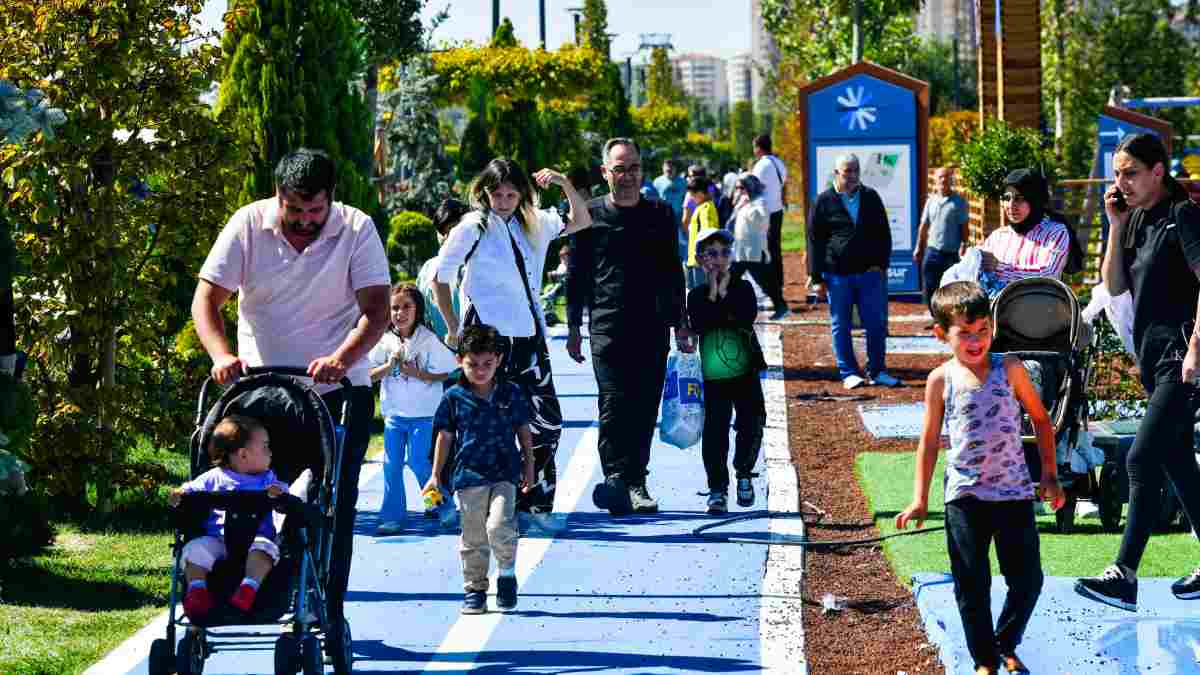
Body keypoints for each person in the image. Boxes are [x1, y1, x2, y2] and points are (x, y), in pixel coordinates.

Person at [191, 148, 390, 638]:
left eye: (314, 212)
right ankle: (240, 592)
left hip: (337, 391)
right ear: (278, 196)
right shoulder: (247, 224)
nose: (303, 221)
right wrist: (220, 355)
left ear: (331, 202)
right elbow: (206, 299)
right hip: (262, 394)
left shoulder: (357, 229)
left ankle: (326, 608)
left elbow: (377, 309)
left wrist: (341, 359)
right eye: (294, 210)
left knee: (329, 504)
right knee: (247, 499)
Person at [896, 281, 1064, 675]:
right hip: (965, 497)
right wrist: (919, 498)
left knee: (1028, 581)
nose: (976, 341)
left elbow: (1041, 420)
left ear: (992, 326)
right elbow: (929, 440)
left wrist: (1050, 475)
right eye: (965, 334)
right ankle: (984, 661)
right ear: (942, 334)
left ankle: (1005, 642)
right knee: (972, 585)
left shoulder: (1011, 368)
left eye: (983, 331)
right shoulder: (941, 379)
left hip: (1014, 493)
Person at [1074, 133, 1200, 612]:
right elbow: (1115, 285)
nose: (1120, 182)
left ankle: (1123, 575)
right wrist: (1114, 226)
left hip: (1182, 361)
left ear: (1157, 172)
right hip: (1154, 359)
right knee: (1178, 463)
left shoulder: (1183, 216)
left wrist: (1196, 350)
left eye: (1130, 173)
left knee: (1140, 459)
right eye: (1116, 174)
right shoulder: (1136, 219)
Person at [432, 158, 592, 514]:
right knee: (484, 422)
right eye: (496, 193)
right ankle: (480, 497)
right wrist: (453, 326)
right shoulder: (473, 226)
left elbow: (582, 220)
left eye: (511, 193)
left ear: (521, 194)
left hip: (529, 340)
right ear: (484, 192)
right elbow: (440, 276)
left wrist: (565, 183)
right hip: (487, 338)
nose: (503, 200)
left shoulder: (535, 222)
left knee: (547, 424)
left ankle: (533, 496)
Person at [567, 137, 693, 516]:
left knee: (642, 405)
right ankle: (616, 478)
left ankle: (636, 481)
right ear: (605, 172)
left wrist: (681, 322)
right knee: (613, 402)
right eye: (619, 169)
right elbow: (577, 274)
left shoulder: (660, 213)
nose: (627, 176)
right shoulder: (588, 215)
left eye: (633, 168)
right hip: (606, 324)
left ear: (642, 170)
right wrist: (573, 326)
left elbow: (673, 271)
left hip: (651, 325)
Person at [425, 324, 535, 614]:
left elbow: (523, 430)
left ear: (498, 360)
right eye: (473, 364)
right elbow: (445, 436)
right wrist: (435, 475)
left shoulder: (510, 392)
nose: (481, 370)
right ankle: (475, 588)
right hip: (468, 474)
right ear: (459, 360)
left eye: (488, 364)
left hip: (505, 472)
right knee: (473, 535)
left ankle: (507, 572)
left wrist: (530, 465)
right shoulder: (453, 396)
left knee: (499, 526)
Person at [170, 415, 290, 622]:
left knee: (265, 550)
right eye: (265, 446)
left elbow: (284, 494)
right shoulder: (212, 477)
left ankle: (249, 587)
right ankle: (197, 589)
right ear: (243, 454)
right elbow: (189, 490)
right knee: (194, 550)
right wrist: (179, 495)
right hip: (217, 540)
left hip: (256, 539)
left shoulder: (267, 479)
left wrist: (278, 494)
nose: (270, 452)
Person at [687, 228, 767, 515]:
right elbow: (700, 323)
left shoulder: (744, 289)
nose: (719, 259)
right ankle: (717, 488)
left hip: (745, 369)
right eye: (711, 253)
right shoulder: (695, 295)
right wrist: (713, 293)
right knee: (715, 430)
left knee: (751, 421)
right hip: (713, 374)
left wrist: (722, 297)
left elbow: (745, 317)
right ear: (700, 259)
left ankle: (744, 471)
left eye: (724, 252)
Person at [367, 283, 457, 535]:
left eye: (407, 307)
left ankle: (442, 506)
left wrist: (414, 372)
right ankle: (393, 516)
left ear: (417, 310)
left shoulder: (427, 340)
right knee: (391, 465)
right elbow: (368, 374)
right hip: (394, 416)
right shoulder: (383, 341)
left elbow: (446, 371)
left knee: (419, 463)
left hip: (424, 415)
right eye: (395, 308)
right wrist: (389, 366)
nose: (400, 313)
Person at [807, 153, 900, 390]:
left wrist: (882, 265)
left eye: (856, 170)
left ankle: (877, 370)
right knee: (841, 324)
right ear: (836, 174)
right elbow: (815, 242)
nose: (852, 176)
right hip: (838, 275)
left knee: (876, 323)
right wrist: (816, 277)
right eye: (847, 171)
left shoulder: (871, 197)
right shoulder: (823, 201)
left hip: (869, 274)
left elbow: (884, 233)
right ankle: (849, 372)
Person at [980, 169, 1078, 285]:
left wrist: (999, 266)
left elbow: (1047, 275)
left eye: (1019, 198)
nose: (1011, 205)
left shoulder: (1055, 232)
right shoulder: (998, 236)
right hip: (1001, 302)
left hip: (1039, 302)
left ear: (1034, 200)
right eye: (1007, 198)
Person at [915, 166, 969, 312]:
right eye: (940, 177)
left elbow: (964, 227)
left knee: (950, 288)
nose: (944, 180)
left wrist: (965, 244)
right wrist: (918, 247)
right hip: (932, 251)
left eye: (947, 177)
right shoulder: (931, 201)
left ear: (951, 180)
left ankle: (947, 317)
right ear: (935, 180)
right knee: (930, 286)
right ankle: (935, 317)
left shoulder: (959, 202)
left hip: (951, 253)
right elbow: (924, 226)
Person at [418, 198, 471, 342]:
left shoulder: (478, 264)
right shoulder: (428, 268)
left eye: (454, 230)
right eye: (443, 232)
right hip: (439, 353)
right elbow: (421, 315)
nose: (448, 237)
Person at [751, 134, 790, 320]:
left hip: (764, 212)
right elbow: (785, 186)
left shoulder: (761, 165)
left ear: (759, 147)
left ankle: (772, 288)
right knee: (776, 250)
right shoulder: (779, 163)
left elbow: (754, 188)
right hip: (777, 210)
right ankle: (778, 285)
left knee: (764, 252)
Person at [729, 173, 772, 307]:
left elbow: (763, 222)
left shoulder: (760, 201)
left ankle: (768, 298)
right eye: (737, 188)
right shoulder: (741, 203)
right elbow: (730, 224)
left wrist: (749, 207)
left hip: (753, 249)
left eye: (741, 187)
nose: (739, 191)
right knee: (736, 277)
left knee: (756, 276)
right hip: (740, 248)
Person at [684, 177, 720, 290]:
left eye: (692, 195)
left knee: (702, 296)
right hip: (694, 260)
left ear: (700, 193)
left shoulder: (706, 208)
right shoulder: (701, 207)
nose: (691, 198)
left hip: (701, 261)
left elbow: (708, 234)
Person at [540, 244, 570, 325]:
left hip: (565, 286)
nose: (562, 258)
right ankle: (548, 308)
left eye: (564, 256)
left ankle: (550, 295)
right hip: (558, 286)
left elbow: (564, 274)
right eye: (561, 256)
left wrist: (555, 273)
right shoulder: (561, 265)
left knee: (561, 282)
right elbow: (558, 275)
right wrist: (553, 274)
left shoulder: (569, 266)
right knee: (548, 288)